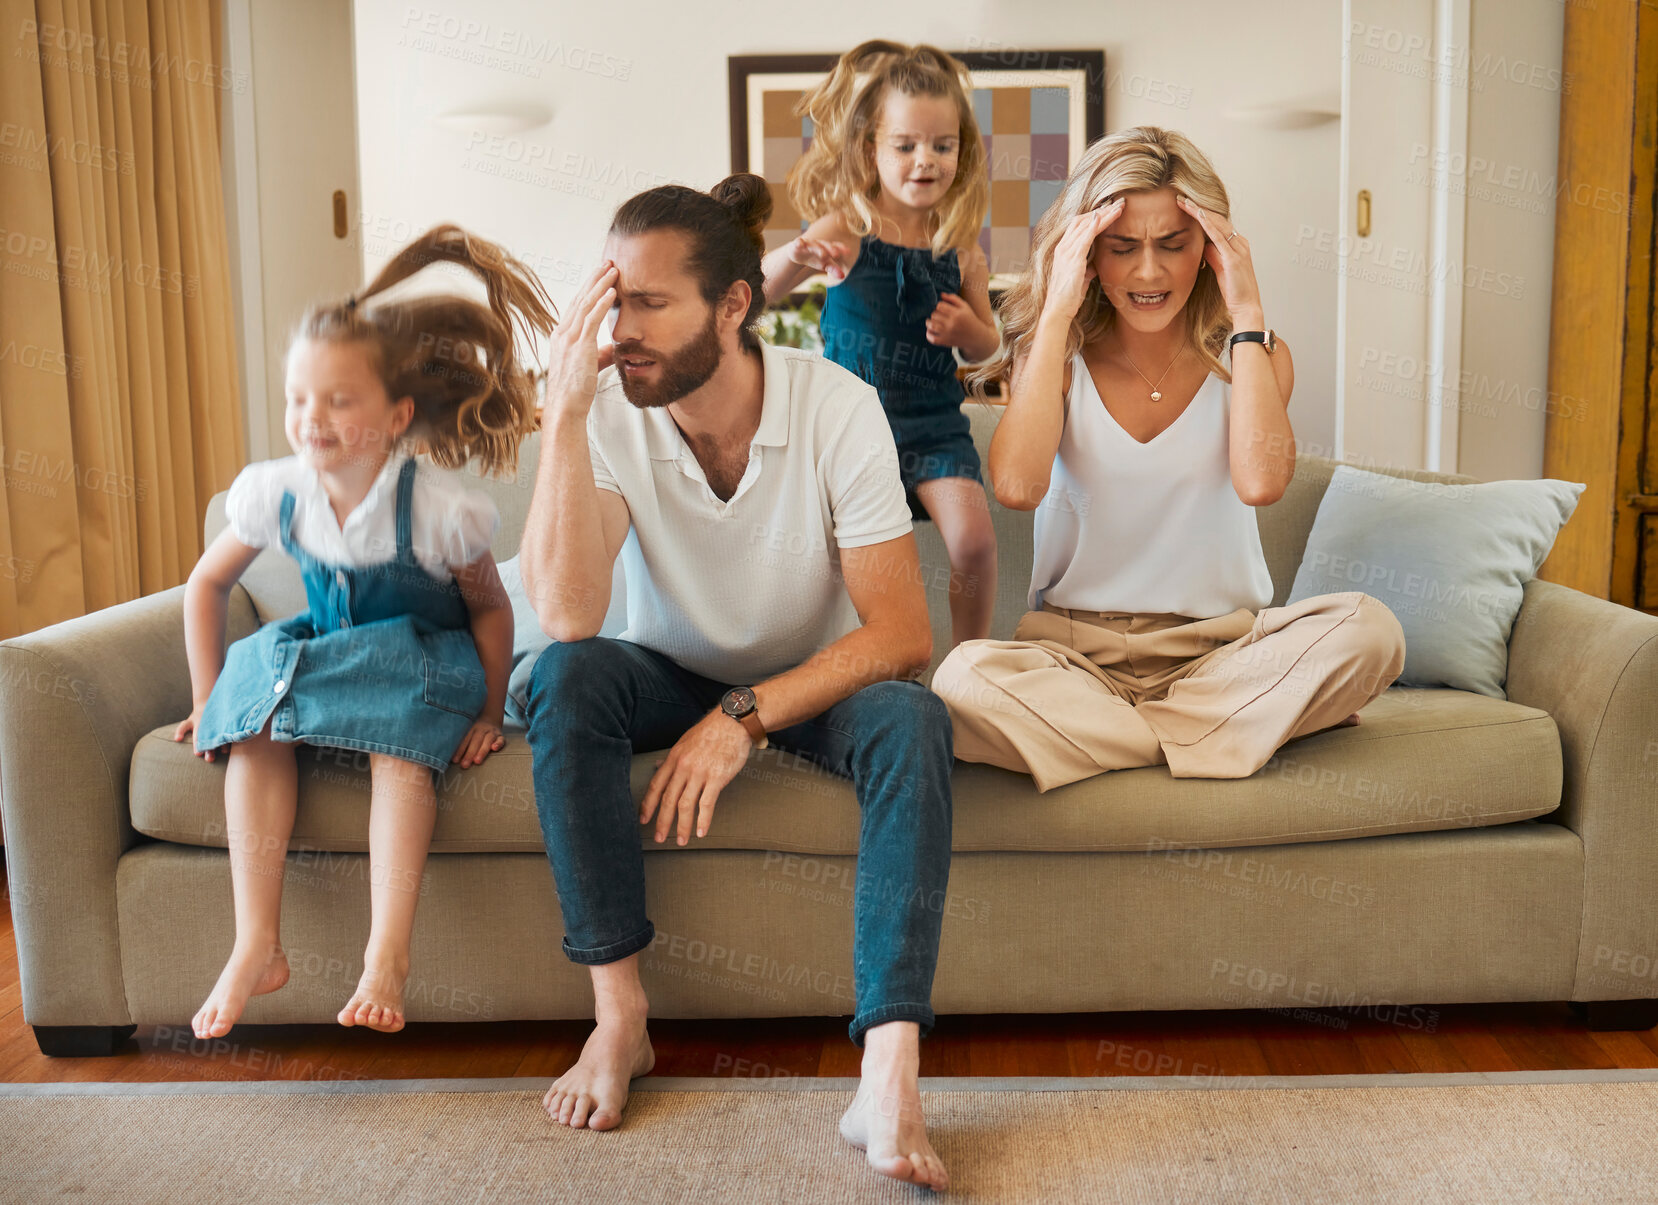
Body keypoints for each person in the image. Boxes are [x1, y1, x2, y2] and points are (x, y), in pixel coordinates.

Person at [521, 173, 953, 1192]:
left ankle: (887, 1070)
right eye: (609, 301)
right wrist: (563, 422)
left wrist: (744, 716)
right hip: (664, 668)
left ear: (731, 305)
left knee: (912, 718)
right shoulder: (613, 414)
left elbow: (899, 631)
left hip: (813, 679)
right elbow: (570, 615)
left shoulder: (835, 407)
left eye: (648, 304)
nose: (620, 330)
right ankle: (620, 1021)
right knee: (565, 676)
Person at [933, 127, 1406, 790]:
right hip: (1074, 660)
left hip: (1224, 656)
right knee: (962, 678)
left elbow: (1262, 483)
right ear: (1088, 253)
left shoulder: (1254, 355)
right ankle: (1227, 732)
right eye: (1122, 248)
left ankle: (1130, 738)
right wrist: (1059, 308)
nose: (1148, 272)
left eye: (1173, 244)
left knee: (1371, 629)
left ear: (1210, 250)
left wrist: (1247, 309)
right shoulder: (1053, 360)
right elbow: (1015, 484)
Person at [173, 225, 550, 1038]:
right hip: (335, 647)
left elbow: (489, 606)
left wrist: (490, 711)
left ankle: (387, 954)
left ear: (396, 414)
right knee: (255, 718)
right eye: (298, 398)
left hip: (418, 658)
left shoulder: (439, 507)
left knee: (398, 747)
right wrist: (208, 699)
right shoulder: (276, 493)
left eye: (339, 400)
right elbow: (207, 584)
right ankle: (256, 943)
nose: (312, 418)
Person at [762, 40, 999, 650]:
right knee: (848, 568)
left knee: (973, 542)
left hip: (934, 427)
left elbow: (984, 346)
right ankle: (850, 661)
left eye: (942, 146)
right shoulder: (847, 225)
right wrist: (796, 256)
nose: (926, 160)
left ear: (961, 151)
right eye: (906, 145)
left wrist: (966, 331)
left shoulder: (961, 245)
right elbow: (756, 292)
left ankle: (966, 664)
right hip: (849, 431)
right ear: (872, 149)